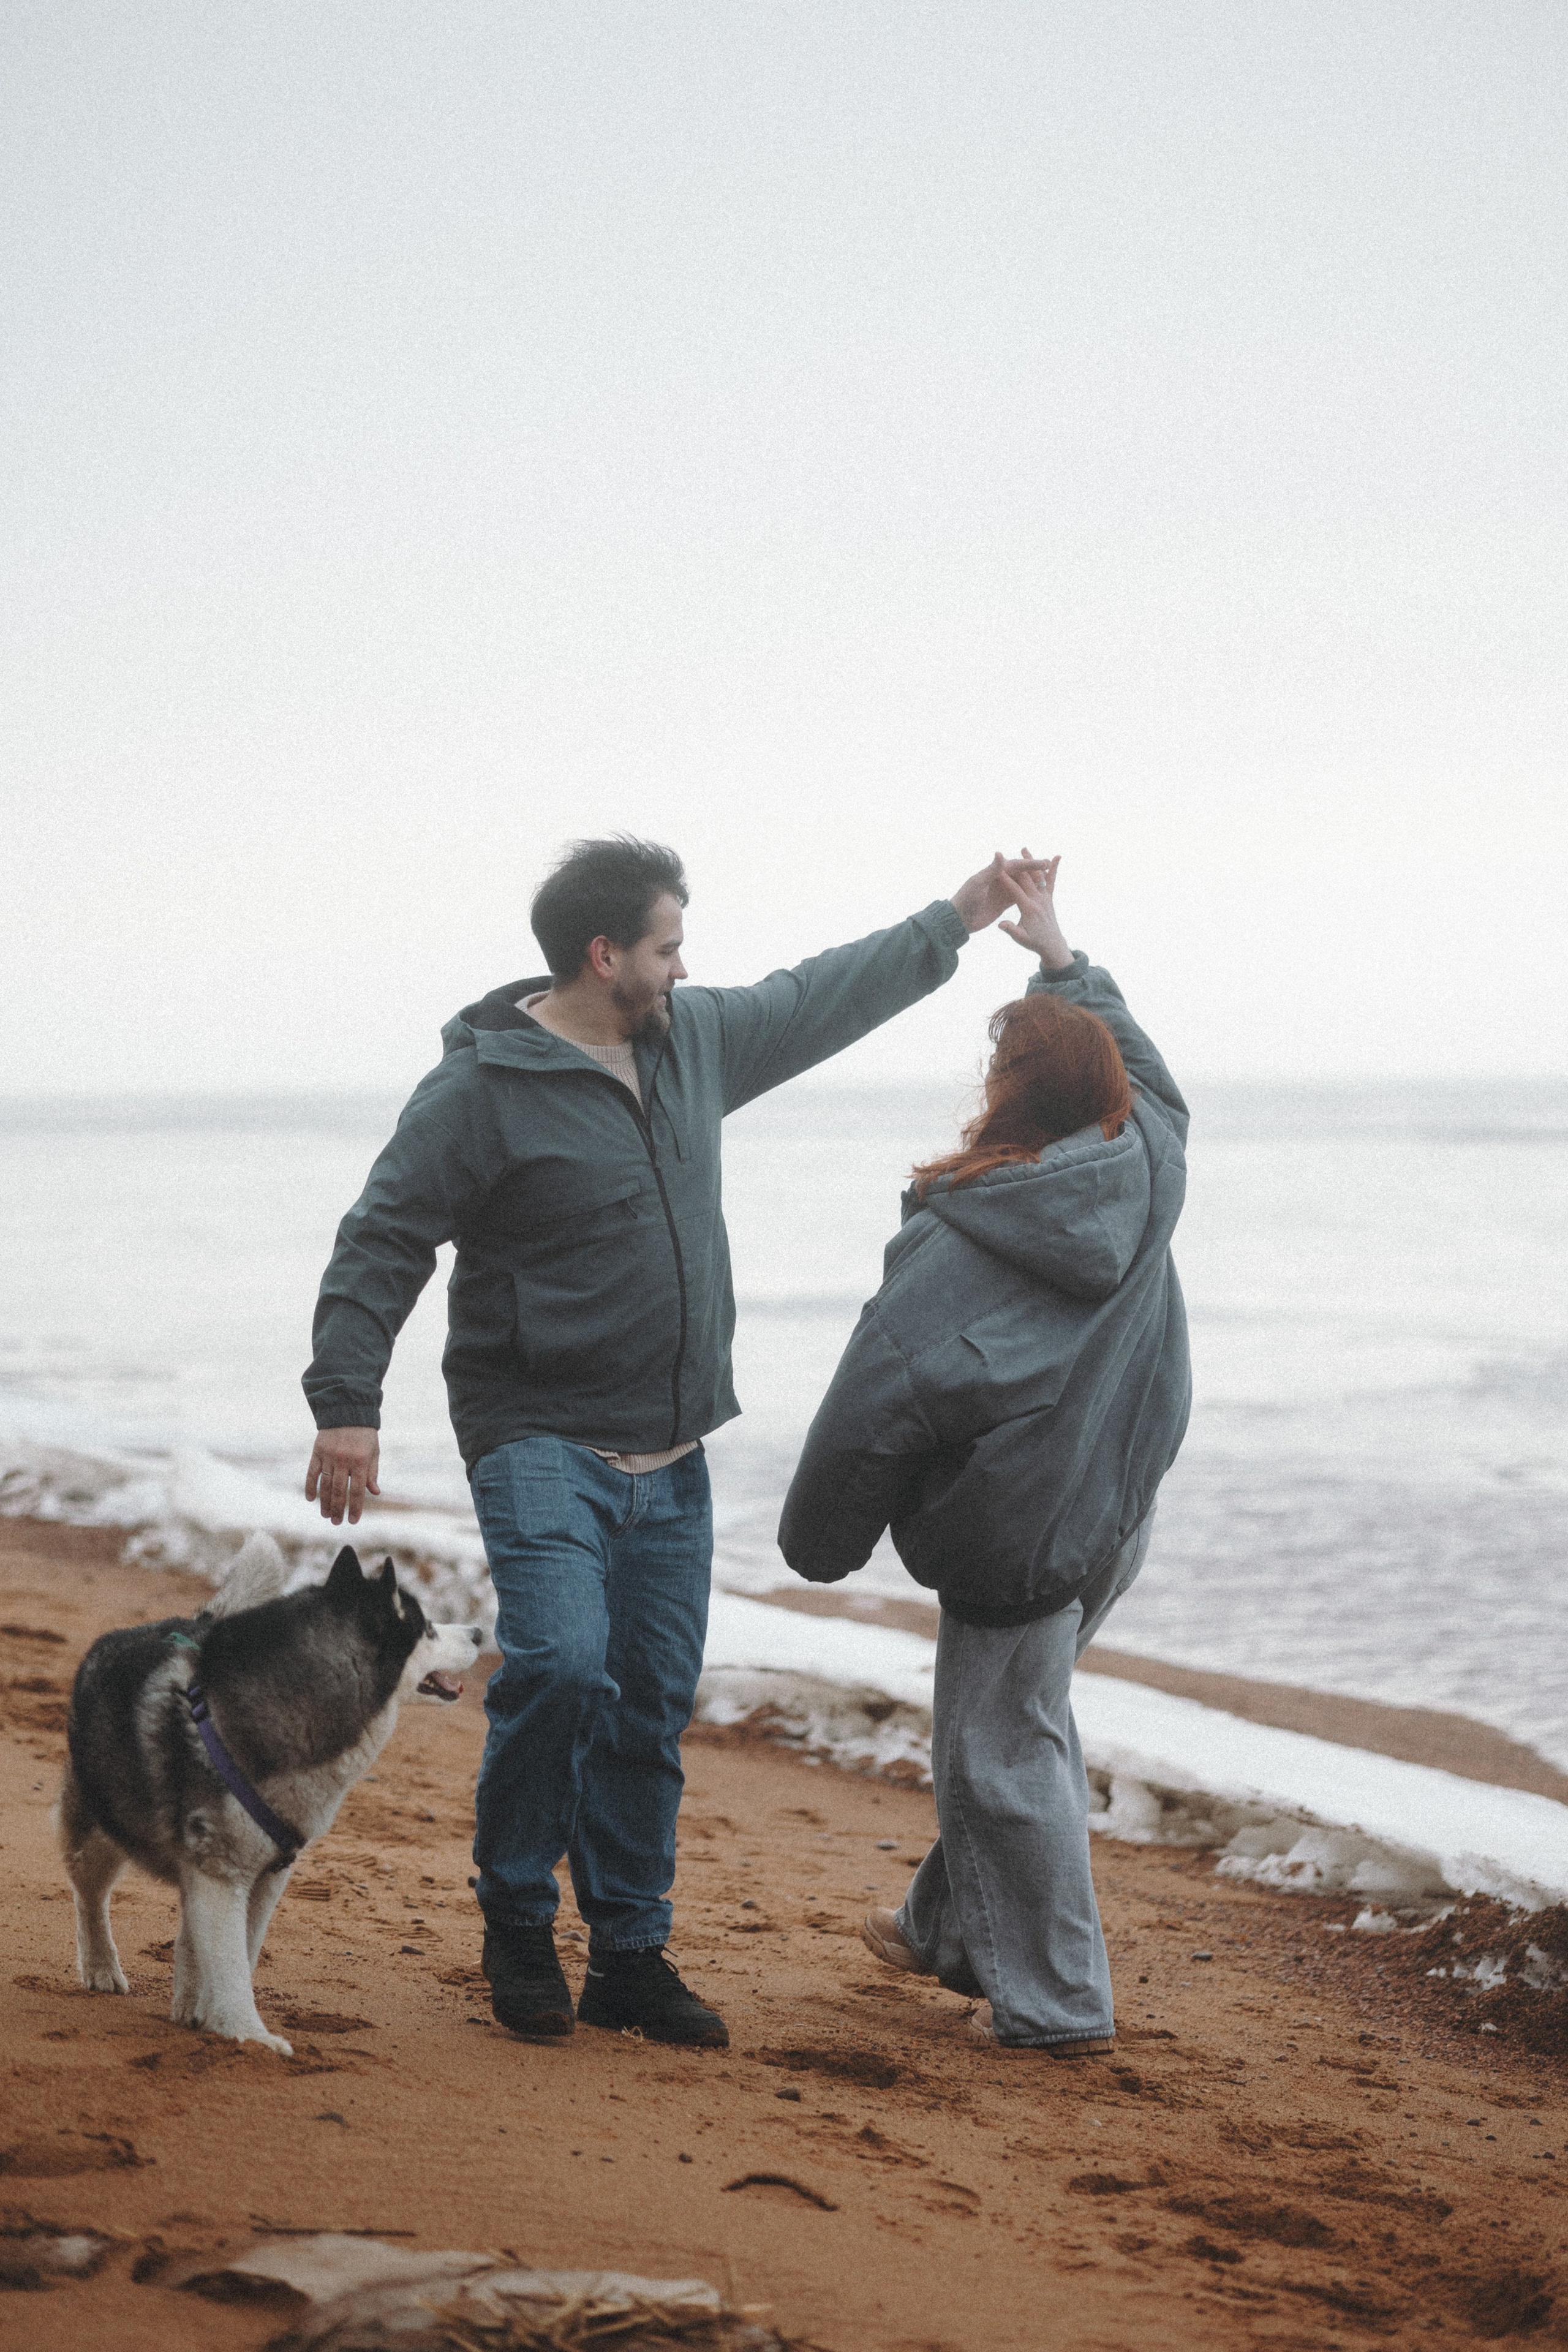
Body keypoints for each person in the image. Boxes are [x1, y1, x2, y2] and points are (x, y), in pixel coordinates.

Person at [302, 834, 1051, 2049]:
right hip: (539, 1433)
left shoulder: (691, 1041)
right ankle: (515, 1919)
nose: (685, 965)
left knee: (648, 1705)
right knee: (560, 1666)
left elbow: (817, 997)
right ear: (605, 956)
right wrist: (347, 1402)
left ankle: (629, 1956)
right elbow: (383, 1235)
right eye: (668, 945)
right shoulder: (480, 1091)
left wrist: (956, 918)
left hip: (673, 1446)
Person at [778, 856, 1191, 2054]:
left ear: (1005, 1095)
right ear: (1106, 1091)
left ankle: (1057, 2010)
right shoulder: (1148, 1158)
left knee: (1002, 1758)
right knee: (1013, 1730)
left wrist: (818, 1546)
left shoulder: (956, 1246)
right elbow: (1152, 1074)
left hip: (1019, 1535)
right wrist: (1061, 957)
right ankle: (942, 1930)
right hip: (1116, 1507)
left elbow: (876, 1406)